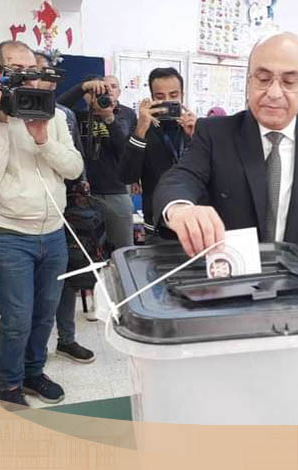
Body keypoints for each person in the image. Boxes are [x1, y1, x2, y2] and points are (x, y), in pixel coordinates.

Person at [153, 32, 298, 262]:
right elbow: (182, 176)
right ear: (248, 81)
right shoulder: (214, 134)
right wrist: (181, 209)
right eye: (263, 79)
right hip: (230, 275)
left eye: (289, 82)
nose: (274, 93)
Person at [0, 40, 83, 406]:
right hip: (9, 234)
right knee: (17, 318)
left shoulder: (55, 116)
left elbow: (74, 168)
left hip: (53, 232)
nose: (26, 78)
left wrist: (43, 139)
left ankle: (33, 373)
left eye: (31, 70)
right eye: (15, 70)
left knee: (45, 314)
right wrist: (0, 124)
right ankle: (10, 385)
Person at [34, 52, 96, 364]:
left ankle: (66, 339)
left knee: (66, 278)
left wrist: (82, 187)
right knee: (32, 288)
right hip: (23, 212)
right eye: (34, 72)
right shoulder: (5, 113)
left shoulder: (64, 115)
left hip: (65, 206)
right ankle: (33, 350)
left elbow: (76, 159)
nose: (41, 79)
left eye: (47, 73)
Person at [57, 74, 136, 250]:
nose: (104, 93)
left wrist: (109, 119)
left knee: (123, 250)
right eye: (95, 91)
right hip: (83, 194)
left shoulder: (126, 115)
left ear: (118, 92)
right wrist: (82, 87)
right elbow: (56, 108)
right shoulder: (75, 116)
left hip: (115, 191)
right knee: (87, 252)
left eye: (111, 88)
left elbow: (125, 152)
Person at [119, 67, 197, 241]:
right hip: (157, 227)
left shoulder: (196, 129)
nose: (167, 101)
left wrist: (195, 137)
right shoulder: (142, 130)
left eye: (173, 95)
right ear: (152, 98)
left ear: (182, 95)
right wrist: (141, 128)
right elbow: (126, 176)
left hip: (194, 226)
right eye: (160, 97)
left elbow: (213, 176)